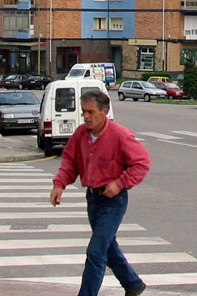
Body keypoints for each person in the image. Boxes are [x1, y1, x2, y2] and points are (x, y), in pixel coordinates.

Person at [50, 88, 150, 296]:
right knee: (107, 245)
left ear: (104, 111)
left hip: (113, 200)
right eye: (84, 112)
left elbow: (141, 163)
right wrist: (59, 185)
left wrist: (120, 183)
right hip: (93, 198)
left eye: (91, 112)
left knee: (96, 251)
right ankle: (132, 284)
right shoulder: (81, 134)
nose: (86, 117)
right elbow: (70, 161)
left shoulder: (120, 135)